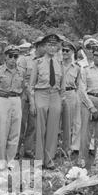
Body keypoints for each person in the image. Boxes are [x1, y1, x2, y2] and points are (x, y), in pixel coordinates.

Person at [30, 33, 66, 169]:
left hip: (55, 95)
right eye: (49, 45)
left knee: (53, 129)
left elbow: (62, 85)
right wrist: (33, 102)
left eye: (55, 45)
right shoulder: (37, 63)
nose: (52, 48)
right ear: (44, 46)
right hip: (41, 94)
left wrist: (61, 100)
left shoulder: (59, 63)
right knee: (40, 128)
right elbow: (31, 86)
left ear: (58, 47)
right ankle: (39, 160)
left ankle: (49, 159)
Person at [0, 45, 25, 169]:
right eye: (10, 56)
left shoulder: (22, 71)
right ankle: (0, 160)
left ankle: (10, 159)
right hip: (3, 99)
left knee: (15, 132)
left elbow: (23, 88)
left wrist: (17, 100)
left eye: (15, 56)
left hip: (16, 99)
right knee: (2, 131)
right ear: (5, 57)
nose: (13, 59)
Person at [16, 39, 42, 159]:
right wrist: (28, 93)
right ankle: (15, 150)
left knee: (33, 124)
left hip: (38, 95)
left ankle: (28, 149)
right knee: (20, 124)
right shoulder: (25, 59)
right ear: (37, 46)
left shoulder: (45, 61)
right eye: (43, 45)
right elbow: (21, 78)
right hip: (24, 95)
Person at [61, 40, 83, 155]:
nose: (64, 52)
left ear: (72, 52)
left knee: (70, 122)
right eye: (63, 50)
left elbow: (78, 84)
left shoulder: (77, 67)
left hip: (71, 93)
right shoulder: (57, 64)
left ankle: (69, 147)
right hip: (58, 94)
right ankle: (57, 146)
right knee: (57, 122)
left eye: (67, 50)